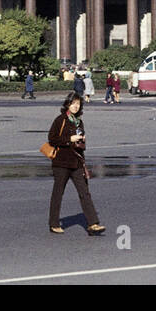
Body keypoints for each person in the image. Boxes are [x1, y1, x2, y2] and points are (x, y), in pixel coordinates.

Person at [47, 92, 105, 236]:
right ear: (67, 104)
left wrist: (81, 141)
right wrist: (69, 139)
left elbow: (80, 143)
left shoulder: (78, 121)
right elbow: (52, 139)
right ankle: (54, 224)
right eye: (73, 103)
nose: (75, 106)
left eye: (78, 104)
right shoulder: (60, 120)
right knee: (58, 193)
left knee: (84, 192)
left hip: (77, 162)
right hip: (61, 162)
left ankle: (93, 223)